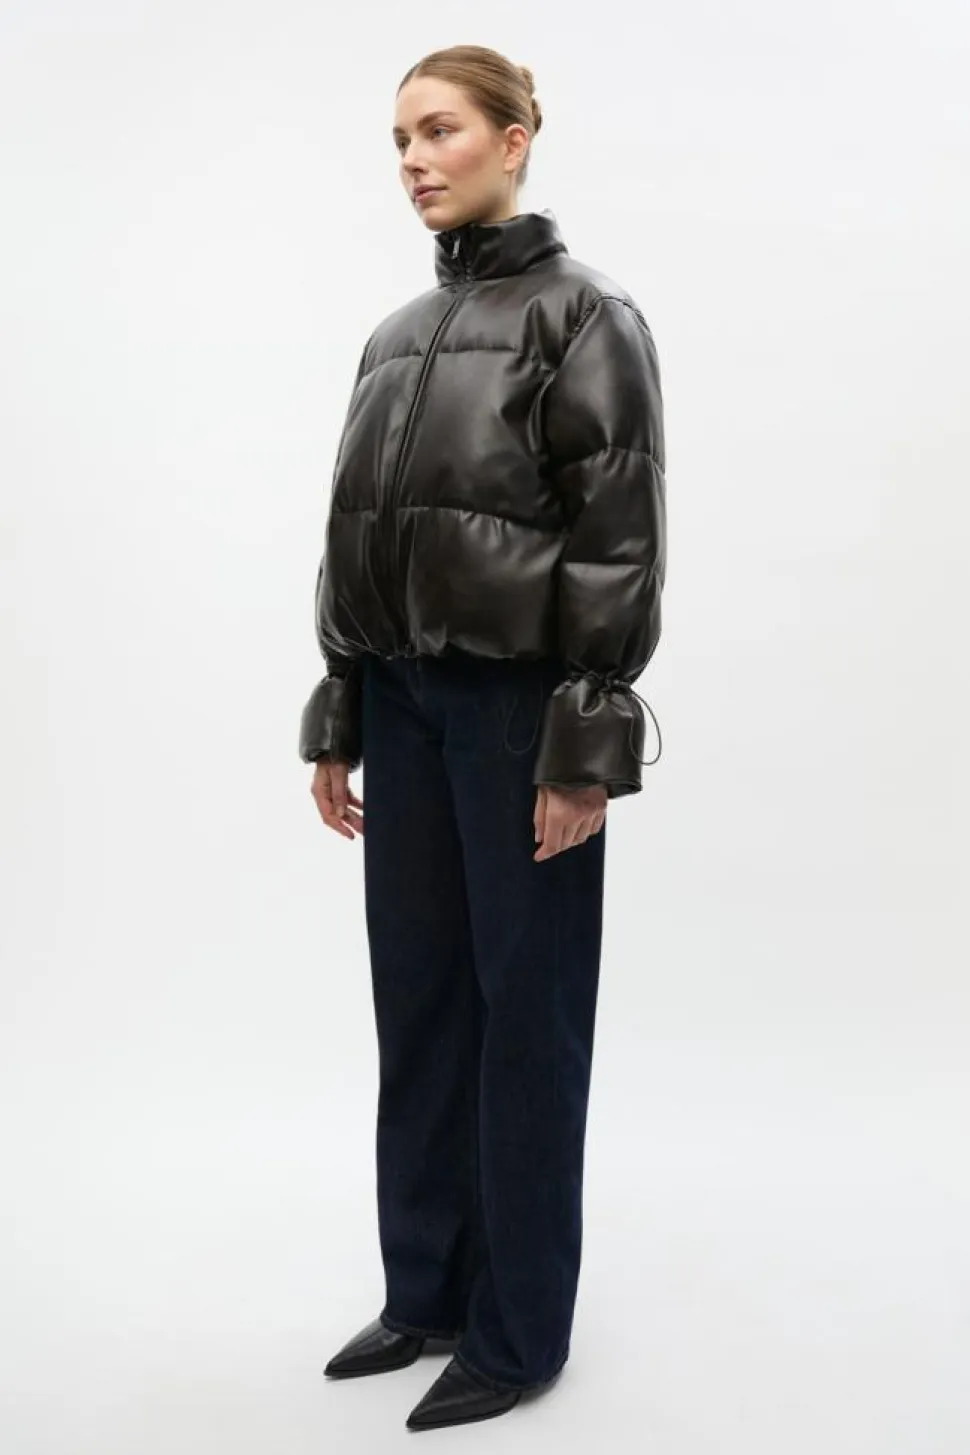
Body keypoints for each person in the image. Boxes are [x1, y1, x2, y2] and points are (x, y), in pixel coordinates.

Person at [299, 44, 667, 1432]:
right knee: (422, 1007)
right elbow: (351, 531)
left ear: (515, 140)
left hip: (518, 710)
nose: (414, 159)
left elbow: (618, 536)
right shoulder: (395, 336)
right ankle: (428, 1292)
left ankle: (517, 1334)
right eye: (399, 137)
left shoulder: (585, 316)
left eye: (441, 130)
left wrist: (585, 742)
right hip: (401, 702)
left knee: (528, 1020)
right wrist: (340, 705)